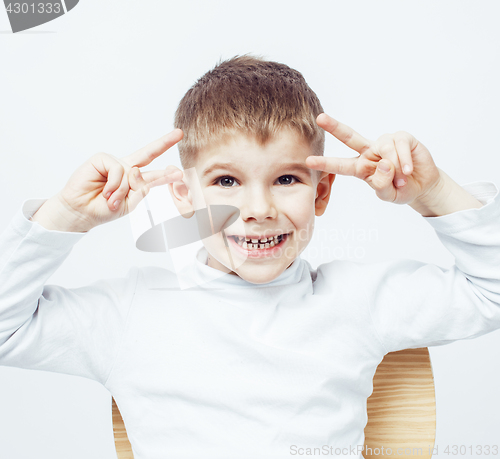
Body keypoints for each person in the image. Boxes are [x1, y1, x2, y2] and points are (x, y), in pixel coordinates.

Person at [0, 55, 499, 459]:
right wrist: (66, 215)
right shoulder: (134, 310)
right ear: (184, 197)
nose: (258, 210)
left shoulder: (358, 299)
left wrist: (429, 191)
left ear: (322, 193)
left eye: (286, 180)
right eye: (225, 182)